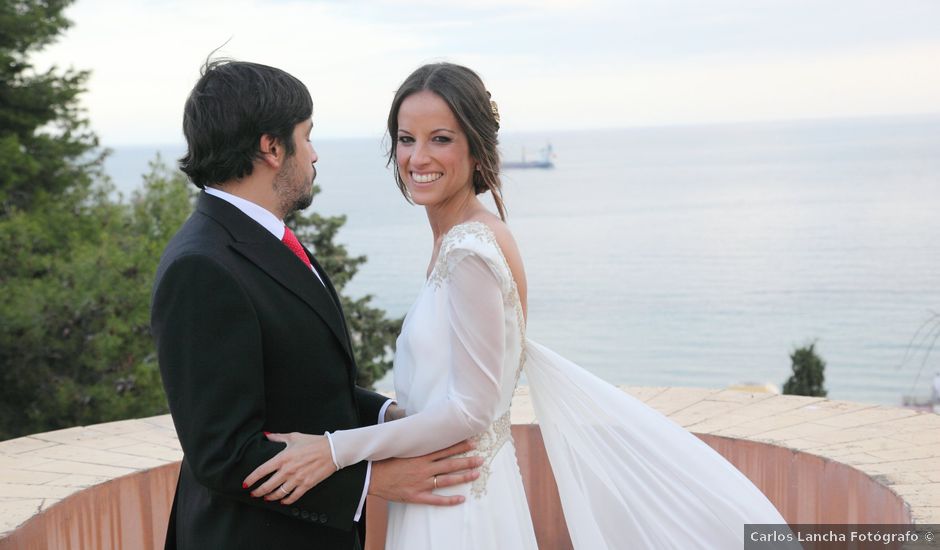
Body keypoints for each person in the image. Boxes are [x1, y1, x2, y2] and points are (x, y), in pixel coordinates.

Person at [242, 62, 789, 549]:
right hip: (446, 486)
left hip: (459, 506)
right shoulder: (457, 239)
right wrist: (391, 418)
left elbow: (471, 411)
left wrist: (336, 450)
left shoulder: (471, 248)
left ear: (476, 148)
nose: (418, 157)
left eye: (441, 139)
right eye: (406, 139)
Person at [150, 60, 483, 550]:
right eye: (306, 137)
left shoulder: (266, 237)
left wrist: (391, 415)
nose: (314, 155)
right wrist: (371, 481)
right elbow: (222, 454)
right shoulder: (202, 267)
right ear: (271, 147)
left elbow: (307, 386)